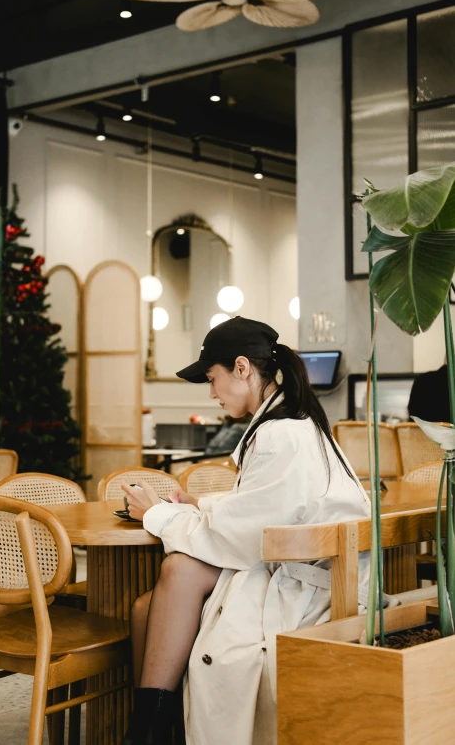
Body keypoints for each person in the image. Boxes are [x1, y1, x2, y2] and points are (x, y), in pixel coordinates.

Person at [121, 316, 370, 745]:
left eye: (212, 379)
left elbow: (243, 538)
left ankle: (145, 733)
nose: (212, 393)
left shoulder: (280, 435)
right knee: (152, 601)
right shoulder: (295, 423)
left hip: (305, 584)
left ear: (242, 368)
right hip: (310, 569)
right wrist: (200, 504)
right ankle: (154, 731)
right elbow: (270, 509)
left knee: (177, 572)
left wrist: (154, 514)